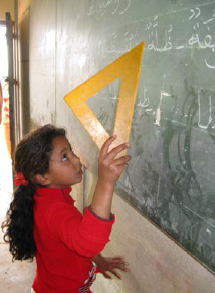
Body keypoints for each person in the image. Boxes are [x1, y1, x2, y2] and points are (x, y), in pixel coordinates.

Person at [1, 124, 131, 293]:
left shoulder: (47, 197)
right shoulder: (53, 210)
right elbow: (88, 242)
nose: (76, 159)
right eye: (64, 157)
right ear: (42, 177)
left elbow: (71, 239)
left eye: (71, 151)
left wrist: (97, 260)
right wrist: (105, 182)